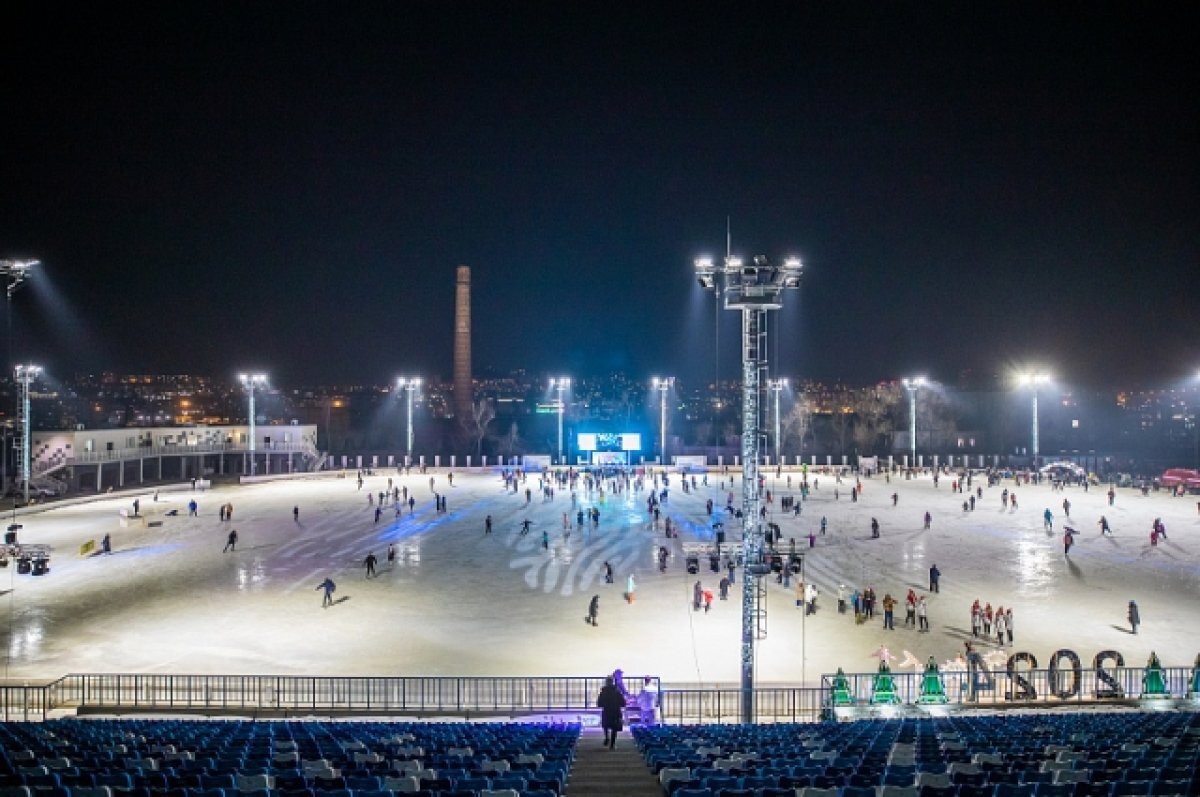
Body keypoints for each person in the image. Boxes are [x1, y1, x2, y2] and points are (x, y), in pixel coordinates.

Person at [596, 676, 626, 749]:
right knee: (614, 728)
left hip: (606, 712)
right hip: (616, 712)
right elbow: (623, 703)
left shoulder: (603, 692)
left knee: (605, 725)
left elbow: (599, 704)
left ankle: (607, 737)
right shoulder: (617, 691)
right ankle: (612, 744)